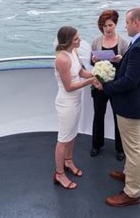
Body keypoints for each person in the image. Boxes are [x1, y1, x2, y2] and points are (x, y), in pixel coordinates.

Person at [93, 7, 140, 207]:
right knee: (132, 146)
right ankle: (128, 174)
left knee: (133, 148)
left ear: (137, 23)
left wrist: (105, 86)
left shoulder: (139, 47)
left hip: (131, 104)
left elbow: (130, 81)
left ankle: (131, 192)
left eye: (128, 23)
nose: (126, 26)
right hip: (134, 102)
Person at [53, 26, 95, 190]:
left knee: (72, 134)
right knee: (63, 139)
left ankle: (68, 161)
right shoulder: (62, 59)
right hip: (66, 103)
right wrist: (90, 82)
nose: (80, 40)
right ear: (69, 41)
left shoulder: (74, 53)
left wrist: (97, 73)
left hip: (76, 101)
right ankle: (59, 173)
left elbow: (82, 72)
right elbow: (69, 86)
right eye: (77, 38)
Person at [90, 10, 128, 160]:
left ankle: (120, 148)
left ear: (116, 24)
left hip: (116, 86)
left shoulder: (123, 43)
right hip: (99, 85)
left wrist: (121, 60)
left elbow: (128, 65)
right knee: (98, 115)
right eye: (104, 25)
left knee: (118, 117)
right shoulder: (96, 41)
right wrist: (93, 60)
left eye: (110, 25)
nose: (107, 28)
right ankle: (96, 145)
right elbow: (90, 62)